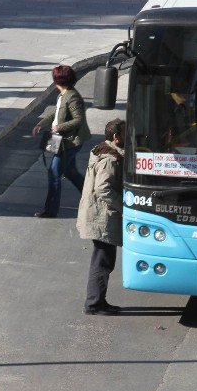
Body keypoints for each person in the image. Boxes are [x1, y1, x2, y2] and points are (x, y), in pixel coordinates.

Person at [77, 118, 126, 316]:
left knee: (102, 258)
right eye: (124, 133)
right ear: (116, 137)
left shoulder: (102, 150)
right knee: (103, 261)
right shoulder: (110, 159)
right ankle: (94, 303)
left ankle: (97, 301)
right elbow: (103, 188)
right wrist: (124, 205)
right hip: (103, 218)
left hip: (99, 215)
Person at [31, 65, 91, 218]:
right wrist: (40, 124)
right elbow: (55, 113)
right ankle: (92, 199)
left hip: (70, 142)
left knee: (53, 173)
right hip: (62, 140)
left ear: (58, 80)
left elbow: (79, 120)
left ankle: (50, 210)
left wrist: (59, 127)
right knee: (71, 172)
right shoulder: (62, 95)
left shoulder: (73, 97)